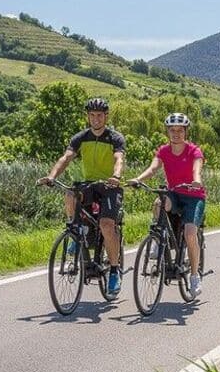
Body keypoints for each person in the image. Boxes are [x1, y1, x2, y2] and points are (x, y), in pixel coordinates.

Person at [37, 97, 126, 295]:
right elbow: (66, 158)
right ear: (88, 116)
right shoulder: (80, 137)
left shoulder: (115, 138)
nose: (96, 119)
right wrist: (51, 176)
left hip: (109, 185)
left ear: (106, 116)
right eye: (92, 115)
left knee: (106, 225)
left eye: (100, 115)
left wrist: (116, 176)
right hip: (89, 184)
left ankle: (114, 271)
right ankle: (76, 233)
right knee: (70, 193)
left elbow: (118, 159)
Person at [128, 112, 206, 295]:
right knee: (158, 202)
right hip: (175, 194)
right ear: (168, 132)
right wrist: (138, 179)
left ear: (186, 131)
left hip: (194, 196)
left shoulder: (194, 150)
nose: (176, 134)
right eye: (172, 130)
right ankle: (157, 239)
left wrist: (196, 179)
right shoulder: (163, 151)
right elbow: (153, 168)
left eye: (180, 130)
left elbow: (197, 168)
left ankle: (194, 277)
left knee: (190, 234)